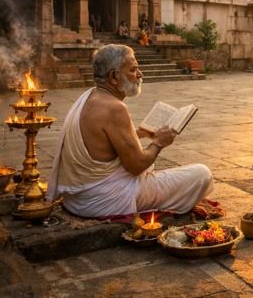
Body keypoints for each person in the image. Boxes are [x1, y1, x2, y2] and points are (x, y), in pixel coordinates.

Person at [46, 45, 213, 218]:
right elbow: (136, 165)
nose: (140, 74)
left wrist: (139, 133)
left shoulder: (89, 96)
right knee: (201, 174)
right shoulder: (114, 108)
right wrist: (159, 143)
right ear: (114, 77)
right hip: (104, 201)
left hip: (77, 201)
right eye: (133, 70)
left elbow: (102, 143)